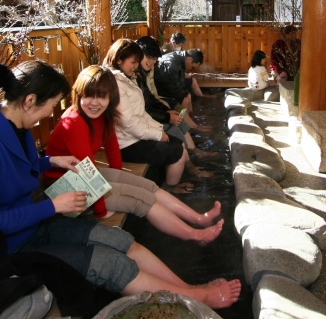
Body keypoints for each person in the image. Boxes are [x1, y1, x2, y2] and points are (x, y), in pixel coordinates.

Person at [0, 61, 241, 309]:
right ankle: (197, 298)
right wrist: (53, 205)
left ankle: (190, 291)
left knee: (121, 241)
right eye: (50, 105)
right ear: (30, 100)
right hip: (13, 249)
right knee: (112, 264)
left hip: (36, 225)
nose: (50, 114)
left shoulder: (17, 129)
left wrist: (50, 161)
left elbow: (23, 167)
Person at [44, 65, 222, 242]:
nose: (95, 102)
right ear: (78, 94)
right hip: (65, 186)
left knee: (148, 186)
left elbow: (112, 147)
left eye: (102, 96)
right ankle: (196, 235)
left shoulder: (103, 115)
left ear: (111, 97)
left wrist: (119, 176)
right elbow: (86, 173)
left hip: (84, 174)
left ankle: (199, 218)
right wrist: (101, 211)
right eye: (89, 95)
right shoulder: (74, 123)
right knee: (141, 200)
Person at [103, 39, 193, 194]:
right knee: (178, 147)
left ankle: (187, 163)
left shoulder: (128, 78)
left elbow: (142, 110)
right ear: (119, 60)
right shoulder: (117, 83)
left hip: (136, 132)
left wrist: (159, 127)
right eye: (133, 62)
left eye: (137, 62)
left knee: (178, 136)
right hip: (127, 142)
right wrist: (160, 129)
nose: (136, 66)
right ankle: (170, 187)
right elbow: (129, 121)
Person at [135, 36, 216, 159]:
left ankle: (191, 126)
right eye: (193, 65)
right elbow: (172, 87)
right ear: (189, 59)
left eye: (154, 58)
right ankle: (191, 127)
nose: (152, 61)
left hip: (156, 98)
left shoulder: (179, 59)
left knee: (186, 98)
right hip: (161, 91)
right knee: (183, 101)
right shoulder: (172, 64)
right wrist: (168, 112)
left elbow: (177, 85)